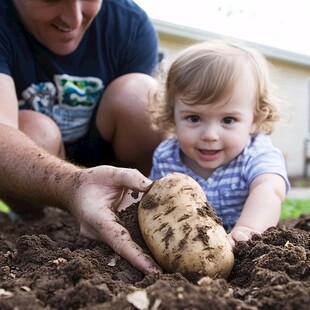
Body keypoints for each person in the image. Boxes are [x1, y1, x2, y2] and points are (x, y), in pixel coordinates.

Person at [0, 0, 163, 274]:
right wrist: (73, 184)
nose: (74, 19)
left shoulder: (129, 24)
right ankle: (32, 227)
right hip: (38, 183)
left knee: (141, 96)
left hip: (109, 166)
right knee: (38, 129)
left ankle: (129, 214)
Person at [147, 39, 290, 246]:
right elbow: (153, 204)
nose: (210, 135)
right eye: (194, 118)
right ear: (172, 116)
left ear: (255, 120)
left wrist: (248, 230)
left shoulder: (257, 153)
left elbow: (270, 189)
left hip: (242, 247)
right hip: (187, 248)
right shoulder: (167, 157)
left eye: (228, 120)